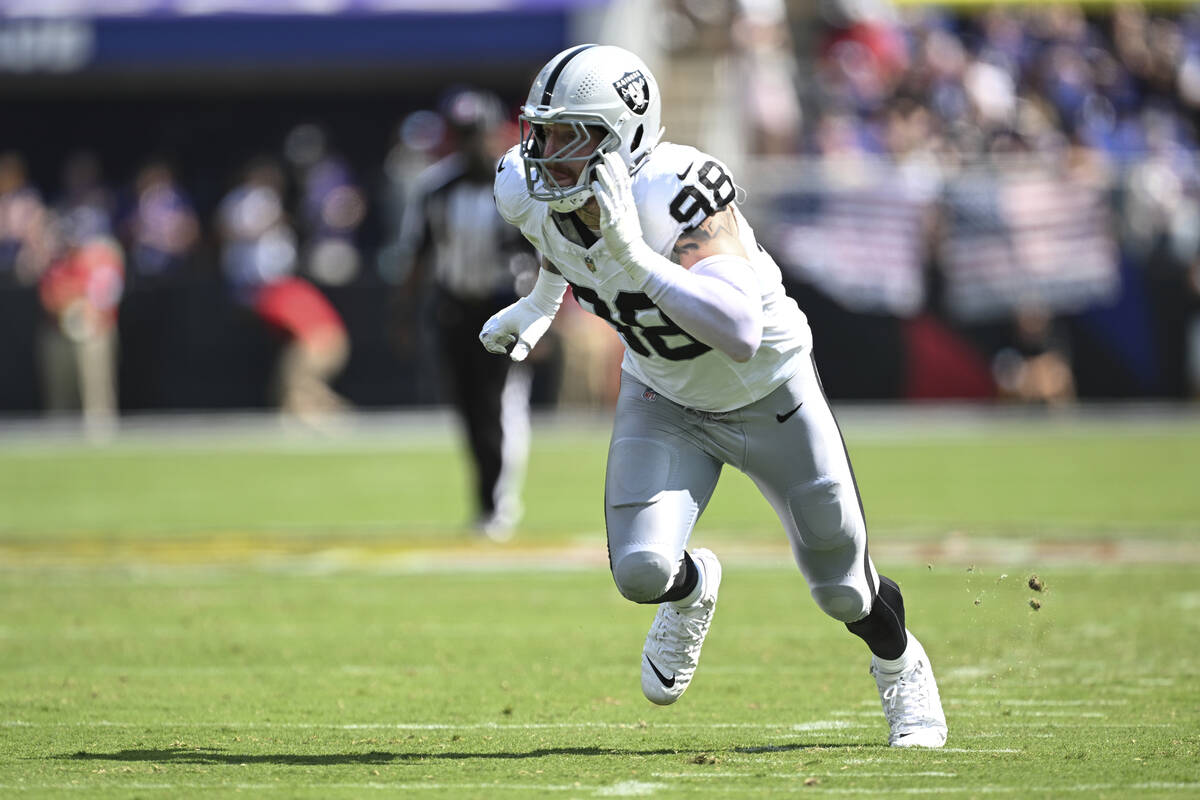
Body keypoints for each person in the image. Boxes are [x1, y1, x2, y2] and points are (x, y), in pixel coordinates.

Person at [480, 44, 947, 747]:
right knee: (640, 572)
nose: (542, 151)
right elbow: (562, 244)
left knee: (842, 586)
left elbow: (737, 330)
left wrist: (638, 260)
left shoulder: (674, 196)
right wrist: (540, 306)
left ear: (620, 139)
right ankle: (693, 588)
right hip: (662, 397)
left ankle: (901, 665)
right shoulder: (527, 185)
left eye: (565, 134)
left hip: (766, 390)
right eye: (540, 131)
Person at [400, 88, 540, 540]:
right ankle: (486, 502)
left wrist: (543, 315)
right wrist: (404, 312)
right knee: (467, 409)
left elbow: (544, 256)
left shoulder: (516, 186)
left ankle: (499, 502)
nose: (470, 145)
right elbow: (418, 255)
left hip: (503, 305)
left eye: (475, 134)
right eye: (462, 136)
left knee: (499, 407)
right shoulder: (436, 189)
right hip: (455, 309)